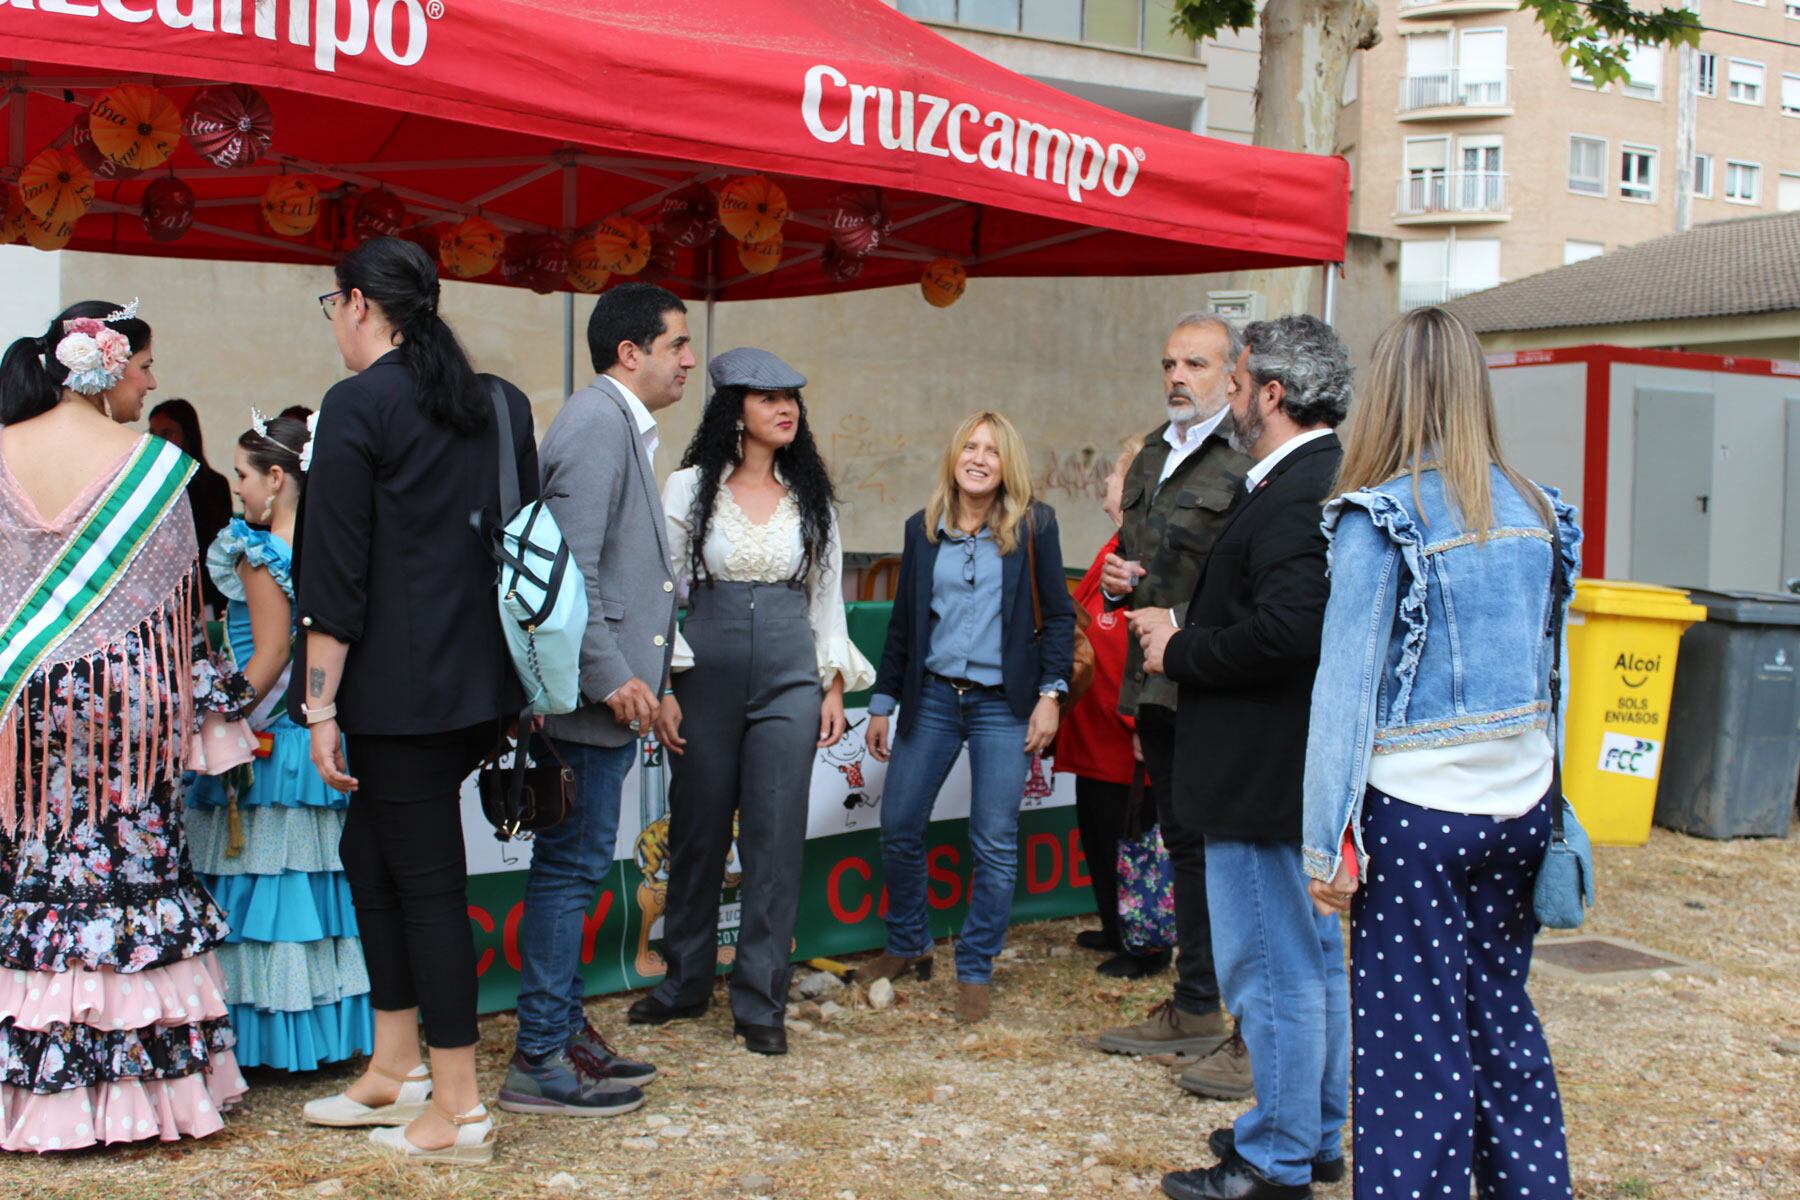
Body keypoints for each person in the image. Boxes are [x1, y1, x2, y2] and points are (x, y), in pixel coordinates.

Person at [1302, 307, 1579, 1200]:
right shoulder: (1540, 512)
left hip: (1416, 816)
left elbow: (1341, 696)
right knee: (1502, 1026)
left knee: (1409, 1058)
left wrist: (1324, 842)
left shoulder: (1377, 518)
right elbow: (1556, 673)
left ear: (1384, 394)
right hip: (1520, 805)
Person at [292, 237, 535, 1164]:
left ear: (359, 304)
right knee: (374, 853)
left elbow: (334, 573)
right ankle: (396, 1068)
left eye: (334, 307)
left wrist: (319, 710)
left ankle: (460, 1106)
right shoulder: (498, 402)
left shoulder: (358, 405)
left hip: (401, 697)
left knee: (427, 886)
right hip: (482, 686)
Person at [0, 300, 248, 1152]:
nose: (151, 382)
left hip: (18, 700)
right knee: (129, 870)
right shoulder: (152, 468)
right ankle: (137, 1093)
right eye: (142, 365)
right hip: (126, 707)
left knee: (31, 863)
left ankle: (33, 1090)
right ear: (105, 367)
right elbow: (179, 609)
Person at [1139, 315, 1352, 1200]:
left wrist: (1177, 648)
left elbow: (1291, 632)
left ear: (1269, 392)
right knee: (1311, 962)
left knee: (1273, 969)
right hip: (1280, 766)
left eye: (1235, 380)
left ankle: (1276, 1160)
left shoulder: (1301, 489)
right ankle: (1315, 1134)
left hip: (1263, 769)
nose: (1223, 393)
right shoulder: (1310, 479)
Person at [635, 348, 874, 1056]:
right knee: (698, 828)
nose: (786, 409)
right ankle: (682, 982)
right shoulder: (686, 488)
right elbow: (662, 590)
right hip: (701, 671)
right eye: (769, 397)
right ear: (733, 408)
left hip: (789, 673)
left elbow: (827, 602)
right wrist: (667, 683)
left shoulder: (811, 500)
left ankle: (761, 998)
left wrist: (832, 683)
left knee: (774, 836)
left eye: (793, 397)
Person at [500, 282, 690, 1116]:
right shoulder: (595, 424)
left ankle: (563, 1031)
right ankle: (540, 1051)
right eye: (676, 345)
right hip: (583, 704)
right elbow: (567, 573)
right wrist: (612, 676)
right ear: (630, 353)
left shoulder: (617, 426)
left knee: (575, 873)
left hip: (606, 695)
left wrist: (658, 679)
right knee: (568, 874)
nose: (689, 360)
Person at [861, 411, 1075, 1024]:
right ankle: (909, 944)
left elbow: (1058, 617)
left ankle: (975, 968)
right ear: (954, 457)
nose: (979, 458)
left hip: (1003, 706)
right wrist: (882, 703)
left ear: (1008, 465)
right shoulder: (921, 530)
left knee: (995, 844)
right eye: (970, 447)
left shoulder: (1035, 527)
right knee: (899, 825)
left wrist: (1050, 694)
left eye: (993, 450)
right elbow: (903, 625)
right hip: (931, 697)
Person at [184, 412, 373, 1073]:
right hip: (314, 735)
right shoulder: (332, 547)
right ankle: (320, 1033)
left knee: (262, 889)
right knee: (311, 891)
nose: (236, 488)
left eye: (241, 474)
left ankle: (261, 1038)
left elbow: (265, 659)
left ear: (276, 476)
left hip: (266, 740)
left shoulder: (258, 553)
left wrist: (216, 718)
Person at [1095, 313, 1250, 1071]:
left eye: (1194, 363)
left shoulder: (1251, 454)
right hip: (1155, 680)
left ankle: (1243, 1020)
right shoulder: (1156, 449)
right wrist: (1125, 580)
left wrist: (1183, 618)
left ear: (1232, 373)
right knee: (1183, 841)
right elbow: (1141, 559)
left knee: (1232, 849)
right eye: (1168, 363)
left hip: (1219, 677)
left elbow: (1254, 582)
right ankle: (1194, 1004)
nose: (1177, 377)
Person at [1053, 435, 1170, 980]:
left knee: (1132, 844)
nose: (1105, 484)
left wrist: (1142, 717)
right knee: (1099, 838)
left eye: (1115, 475)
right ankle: (1115, 925)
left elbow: (1147, 642)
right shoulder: (1113, 544)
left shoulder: (1146, 549)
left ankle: (1145, 945)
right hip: (1094, 733)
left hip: (1126, 737)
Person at [149, 397, 234, 613]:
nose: (158, 441)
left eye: (167, 433)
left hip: (202, 597)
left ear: (188, 436)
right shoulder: (146, 487)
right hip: (155, 601)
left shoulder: (212, 485)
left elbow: (215, 549)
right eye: (152, 434)